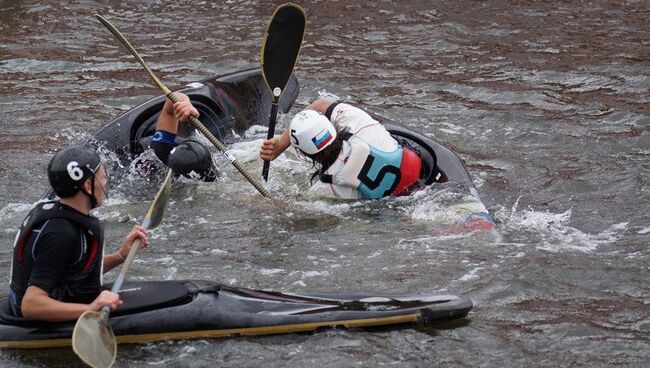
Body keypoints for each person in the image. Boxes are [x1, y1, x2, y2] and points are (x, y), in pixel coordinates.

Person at [8, 145, 149, 321]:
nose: (105, 182)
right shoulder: (61, 234)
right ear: (88, 186)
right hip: (38, 322)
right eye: (103, 177)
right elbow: (31, 305)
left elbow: (70, 271)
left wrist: (121, 255)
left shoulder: (62, 217)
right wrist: (90, 309)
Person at [260, 99, 423, 199]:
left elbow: (295, 209)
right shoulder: (356, 122)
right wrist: (283, 142)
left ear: (302, 152)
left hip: (394, 203)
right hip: (421, 178)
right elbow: (320, 105)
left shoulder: (328, 188)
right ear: (329, 125)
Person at [150, 92, 218, 181]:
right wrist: (185, 104)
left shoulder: (212, 167)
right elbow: (173, 99)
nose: (211, 172)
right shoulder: (162, 150)